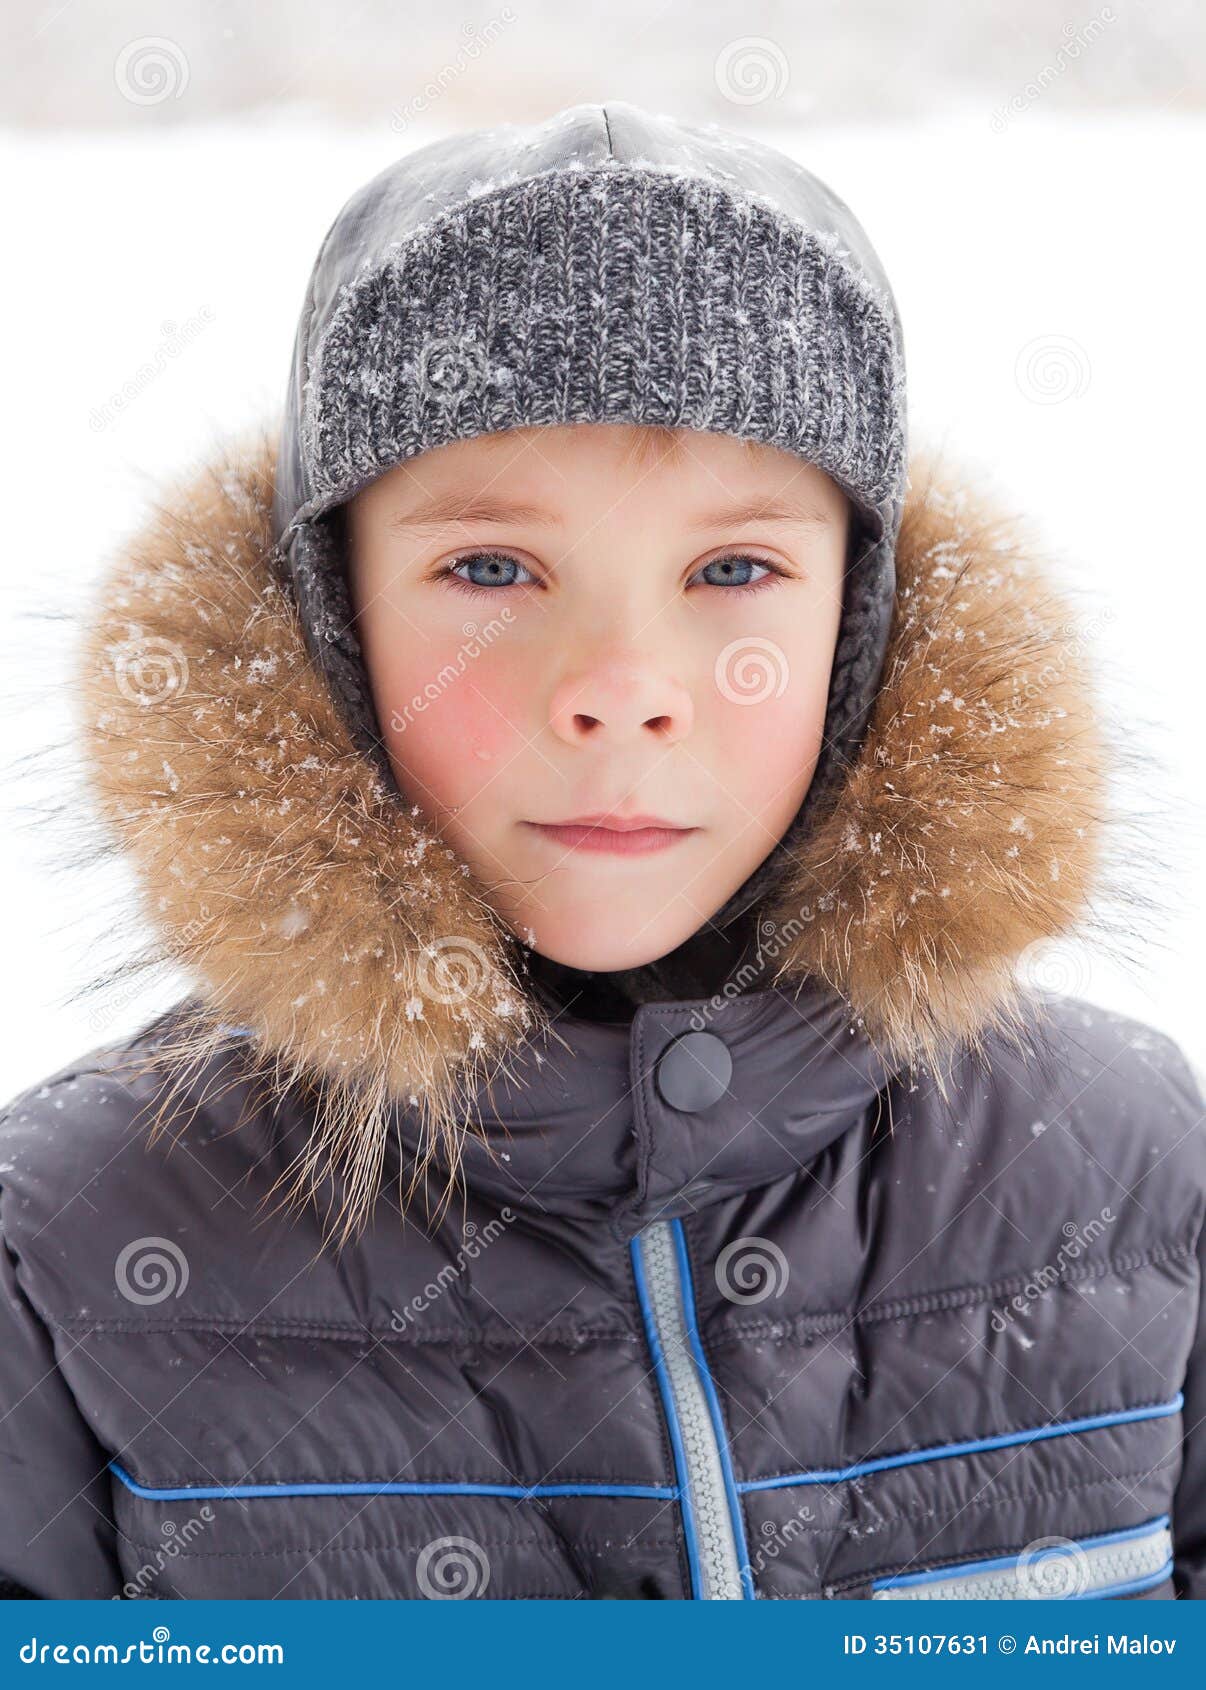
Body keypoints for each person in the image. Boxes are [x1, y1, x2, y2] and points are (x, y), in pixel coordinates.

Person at [1, 100, 1203, 1602]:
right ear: (330, 618)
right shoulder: (72, 1240)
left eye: (734, 567)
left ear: (861, 621)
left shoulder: (1131, 1165)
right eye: (491, 567)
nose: (620, 685)